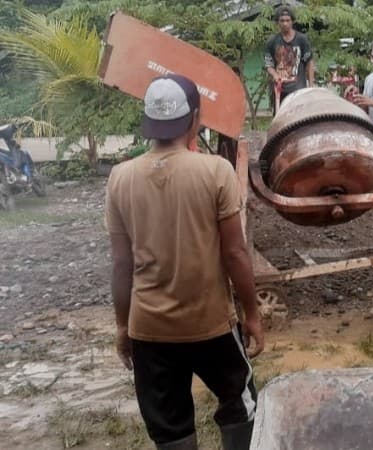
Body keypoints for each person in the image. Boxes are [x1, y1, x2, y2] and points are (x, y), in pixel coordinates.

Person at [105, 74, 265, 450]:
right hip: (210, 324)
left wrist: (121, 326)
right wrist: (253, 314)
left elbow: (120, 265)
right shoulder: (215, 172)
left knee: (170, 424)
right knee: (241, 406)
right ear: (195, 118)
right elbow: (235, 253)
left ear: (149, 121)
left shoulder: (120, 178)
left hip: (148, 329)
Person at [264, 5, 315, 104]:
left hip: (298, 90)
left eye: (287, 20)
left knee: (300, 118)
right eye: (282, 21)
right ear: (278, 22)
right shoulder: (272, 42)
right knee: (281, 118)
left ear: (292, 21)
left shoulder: (301, 40)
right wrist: (274, 75)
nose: (285, 23)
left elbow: (309, 63)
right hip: (279, 90)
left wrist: (311, 86)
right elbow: (269, 64)